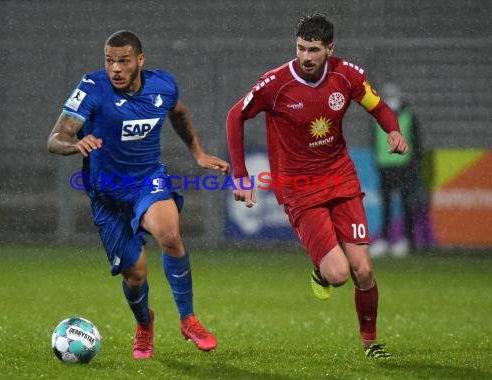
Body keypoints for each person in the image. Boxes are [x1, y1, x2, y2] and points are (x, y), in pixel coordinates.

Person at [226, 13, 408, 358]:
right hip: (299, 188)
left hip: (340, 178)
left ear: (330, 48)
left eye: (313, 50)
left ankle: (370, 343)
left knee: (364, 269)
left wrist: (394, 129)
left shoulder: (347, 75)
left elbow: (379, 107)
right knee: (339, 274)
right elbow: (236, 115)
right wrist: (240, 174)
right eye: (300, 49)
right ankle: (322, 272)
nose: (305, 57)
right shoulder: (276, 84)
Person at [47, 30, 229, 359]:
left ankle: (188, 319)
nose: (115, 68)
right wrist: (74, 144)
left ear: (140, 61)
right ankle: (144, 323)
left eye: (123, 61)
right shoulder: (92, 88)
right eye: (109, 61)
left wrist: (198, 153)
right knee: (136, 275)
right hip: (106, 196)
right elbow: (56, 137)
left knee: (170, 234)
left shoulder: (163, 86)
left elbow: (179, 114)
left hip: (147, 180)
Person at [369, 82, 424, 258]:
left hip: (404, 166)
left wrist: (414, 164)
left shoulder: (408, 115)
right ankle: (385, 240)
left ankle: (407, 240)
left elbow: (417, 142)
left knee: (406, 204)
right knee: (386, 205)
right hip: (385, 166)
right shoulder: (377, 116)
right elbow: (374, 140)